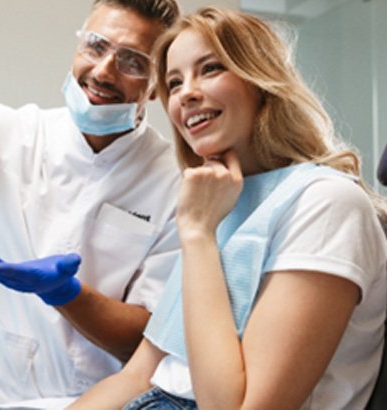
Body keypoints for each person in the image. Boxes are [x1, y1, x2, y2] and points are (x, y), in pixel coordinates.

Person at [67, 7, 387, 409]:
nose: (187, 93)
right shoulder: (219, 201)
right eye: (174, 82)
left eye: (211, 68)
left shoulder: (325, 203)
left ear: (261, 81)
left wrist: (198, 236)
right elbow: (138, 374)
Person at [0, 0, 181, 405]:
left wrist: (68, 294)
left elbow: (147, 341)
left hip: (86, 400)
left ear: (157, 86)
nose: (103, 71)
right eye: (96, 46)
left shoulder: (174, 183)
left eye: (132, 62)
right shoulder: (16, 134)